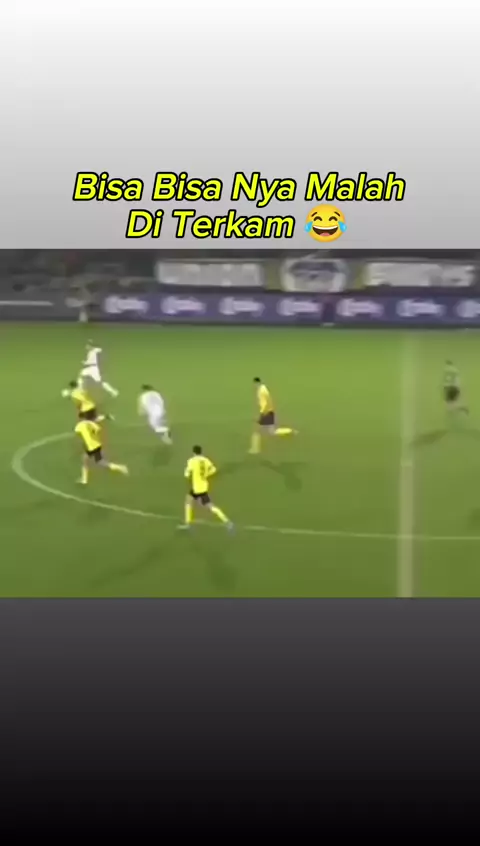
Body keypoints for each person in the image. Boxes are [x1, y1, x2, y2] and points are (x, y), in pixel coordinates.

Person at [179, 445, 233, 531]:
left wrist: (189, 476)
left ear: (194, 452)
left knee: (191, 502)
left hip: (196, 487)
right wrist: (206, 475)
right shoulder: (205, 460)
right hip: (204, 486)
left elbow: (187, 474)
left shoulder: (191, 461)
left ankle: (188, 523)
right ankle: (227, 521)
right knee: (206, 504)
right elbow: (213, 469)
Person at [249, 377, 297, 454]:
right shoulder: (264, 389)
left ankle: (255, 449)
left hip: (266, 412)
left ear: (256, 383)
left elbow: (264, 403)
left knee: (256, 430)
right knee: (272, 432)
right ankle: (290, 431)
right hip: (270, 411)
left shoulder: (261, 391)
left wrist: (261, 413)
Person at [74, 417, 128, 485]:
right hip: (97, 445)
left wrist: (82, 445)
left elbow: (79, 436)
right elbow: (98, 430)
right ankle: (120, 467)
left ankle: (84, 480)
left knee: (85, 461)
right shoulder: (91, 423)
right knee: (99, 461)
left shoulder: (79, 426)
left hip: (90, 447)